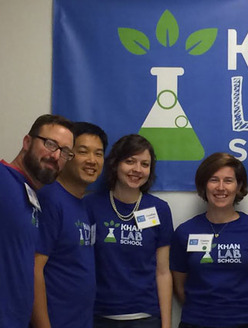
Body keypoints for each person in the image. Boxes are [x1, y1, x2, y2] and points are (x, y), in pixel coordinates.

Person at [170, 152, 248, 328]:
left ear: (239, 186)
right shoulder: (185, 231)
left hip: (246, 322)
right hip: (197, 322)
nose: (220, 187)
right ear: (204, 185)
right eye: (213, 180)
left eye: (228, 180)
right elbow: (179, 286)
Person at [85, 134, 174, 328]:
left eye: (145, 164)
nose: (137, 170)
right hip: (98, 316)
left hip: (145, 317)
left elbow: (163, 272)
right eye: (130, 161)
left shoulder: (159, 209)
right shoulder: (90, 205)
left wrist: (166, 324)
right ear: (116, 164)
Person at [31, 122, 108, 328]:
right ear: (66, 155)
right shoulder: (50, 199)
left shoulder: (83, 205)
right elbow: (34, 269)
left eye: (99, 154)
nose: (92, 160)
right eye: (83, 152)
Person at [0, 114, 73, 328]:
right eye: (51, 144)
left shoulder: (33, 198)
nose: (56, 155)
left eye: (65, 152)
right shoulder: (3, 179)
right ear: (27, 142)